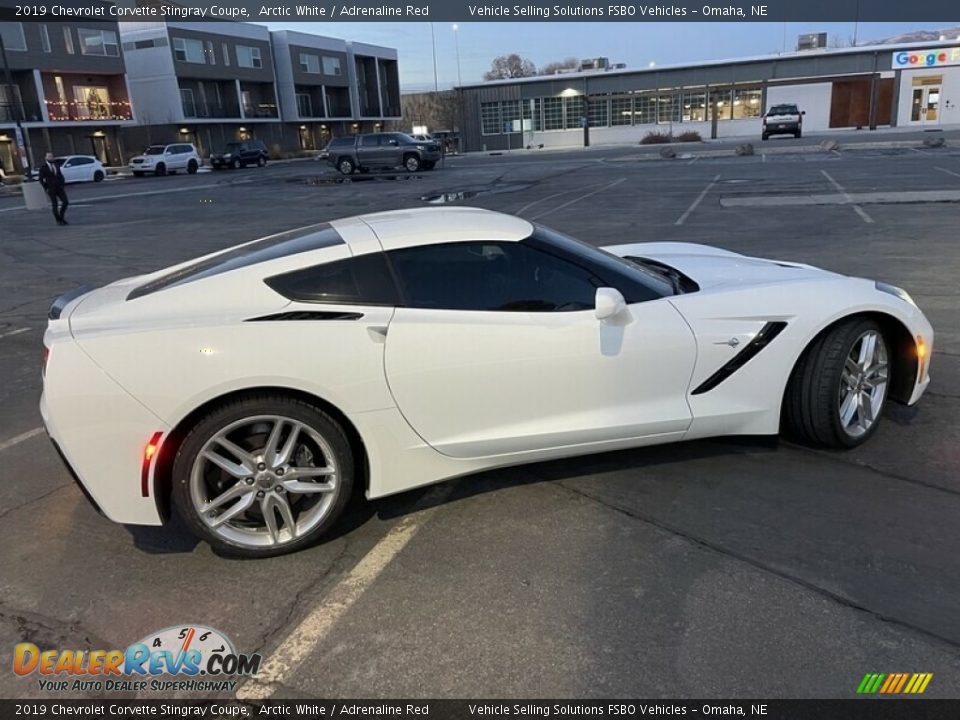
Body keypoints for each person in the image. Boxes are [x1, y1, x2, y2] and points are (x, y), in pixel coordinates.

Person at [38, 152, 69, 225]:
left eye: (52, 156)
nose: (51, 158)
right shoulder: (43, 167)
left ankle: (61, 217)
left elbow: (60, 175)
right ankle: (58, 220)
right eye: (49, 156)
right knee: (54, 204)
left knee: (65, 202)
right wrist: (46, 188)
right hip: (51, 188)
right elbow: (41, 179)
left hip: (59, 187)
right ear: (46, 158)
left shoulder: (56, 165)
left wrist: (62, 184)